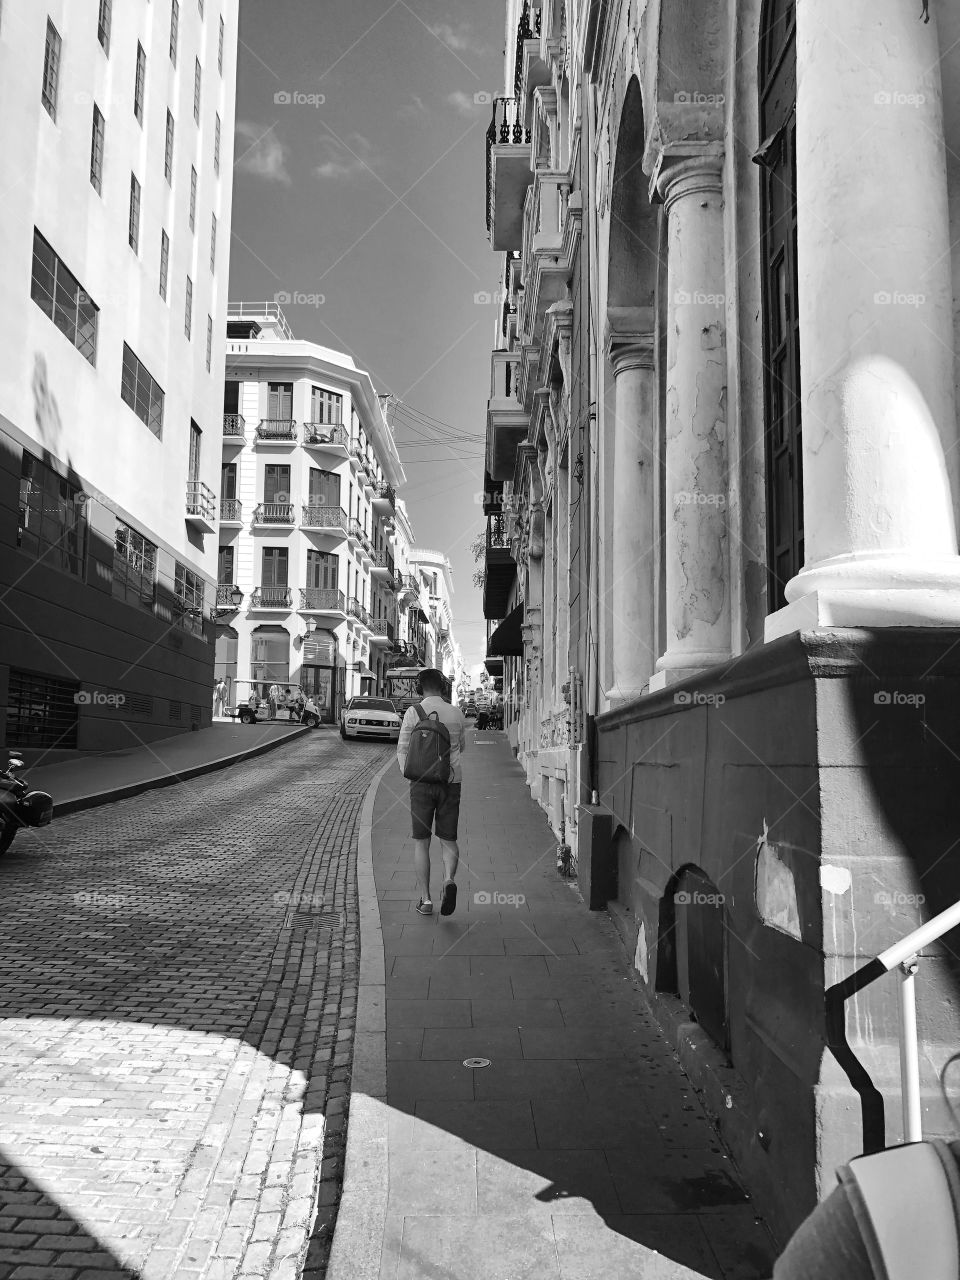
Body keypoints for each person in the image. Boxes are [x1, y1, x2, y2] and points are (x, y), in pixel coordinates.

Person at [396, 668, 467, 918]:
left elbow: (402, 749)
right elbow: (462, 747)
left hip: (421, 784)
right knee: (448, 839)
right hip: (451, 782)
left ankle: (425, 900)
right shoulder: (457, 713)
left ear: (420, 688)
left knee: (421, 842)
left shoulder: (412, 712)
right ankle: (448, 880)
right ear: (443, 687)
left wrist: (411, 773)